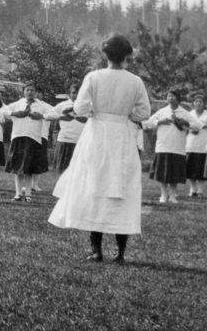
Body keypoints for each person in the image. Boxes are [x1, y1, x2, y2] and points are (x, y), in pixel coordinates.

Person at [49, 35, 151, 263]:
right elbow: (144, 112)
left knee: (95, 185)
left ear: (105, 55)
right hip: (123, 136)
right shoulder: (135, 81)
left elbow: (81, 108)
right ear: (127, 56)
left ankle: (96, 250)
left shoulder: (94, 77)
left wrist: (98, 111)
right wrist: (126, 116)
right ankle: (120, 252)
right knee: (121, 189)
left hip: (97, 136)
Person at [143, 90, 201, 204]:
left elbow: (198, 126)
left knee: (174, 174)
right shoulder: (162, 112)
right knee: (162, 174)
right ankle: (163, 195)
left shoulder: (184, 113)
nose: (170, 98)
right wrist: (159, 122)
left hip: (177, 148)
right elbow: (147, 124)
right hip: (163, 146)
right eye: (169, 96)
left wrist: (186, 123)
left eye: (173, 96)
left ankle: (173, 195)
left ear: (178, 99)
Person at [5, 82, 53, 202]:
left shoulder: (41, 105)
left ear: (36, 93)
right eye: (27, 90)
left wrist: (42, 116)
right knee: (18, 167)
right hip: (18, 137)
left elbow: (55, 113)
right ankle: (17, 193)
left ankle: (28, 194)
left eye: (32, 90)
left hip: (33, 138)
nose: (30, 92)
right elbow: (1, 111)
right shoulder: (18, 104)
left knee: (29, 168)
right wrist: (15, 113)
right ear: (23, 91)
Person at [44, 83, 87, 175]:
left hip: (80, 142)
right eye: (74, 93)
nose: (76, 95)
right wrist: (62, 116)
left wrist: (80, 118)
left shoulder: (86, 106)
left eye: (78, 93)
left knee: (79, 173)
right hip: (64, 141)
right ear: (69, 94)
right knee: (62, 172)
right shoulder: (62, 105)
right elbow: (47, 116)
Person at [184, 93, 207, 197]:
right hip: (191, 145)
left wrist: (200, 127)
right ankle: (193, 189)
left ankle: (200, 190)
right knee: (191, 169)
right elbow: (184, 127)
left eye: (200, 102)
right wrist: (191, 129)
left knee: (201, 170)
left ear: (204, 104)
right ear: (193, 103)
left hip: (204, 146)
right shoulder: (189, 114)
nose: (198, 104)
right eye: (196, 102)